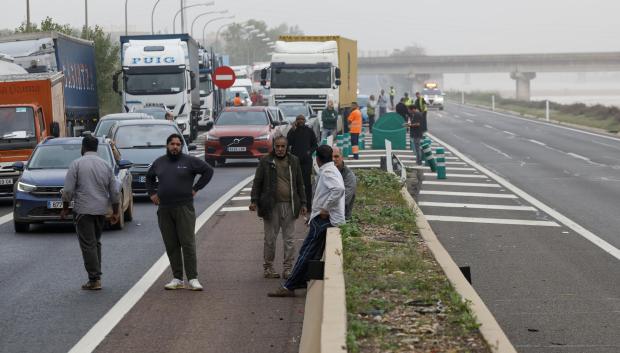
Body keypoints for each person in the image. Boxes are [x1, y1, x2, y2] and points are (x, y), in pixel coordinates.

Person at [267, 145, 345, 297]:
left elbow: (339, 189)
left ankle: (289, 286)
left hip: (324, 220)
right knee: (313, 253)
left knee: (306, 252)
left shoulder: (328, 171)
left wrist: (325, 209)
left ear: (317, 159)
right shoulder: (330, 170)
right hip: (325, 219)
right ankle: (302, 281)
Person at [146, 133, 214, 291]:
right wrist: (152, 194)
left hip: (184, 207)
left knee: (188, 243)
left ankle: (192, 278)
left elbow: (208, 171)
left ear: (181, 146)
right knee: (171, 244)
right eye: (172, 144)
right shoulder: (159, 162)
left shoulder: (189, 161)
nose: (175, 147)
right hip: (164, 209)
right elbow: (149, 177)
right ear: (167, 146)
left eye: (178, 144)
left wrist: (196, 188)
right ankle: (177, 278)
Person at [61, 135, 120, 290]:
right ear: (96, 148)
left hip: (83, 211)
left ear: (83, 147)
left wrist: (65, 208)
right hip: (101, 211)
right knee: (96, 242)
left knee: (88, 245)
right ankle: (96, 275)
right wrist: (115, 212)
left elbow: (67, 190)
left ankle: (94, 279)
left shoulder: (77, 164)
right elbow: (114, 192)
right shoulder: (106, 165)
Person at [250, 136, 307, 279]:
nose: (280, 149)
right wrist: (254, 201)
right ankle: (268, 268)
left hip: (290, 205)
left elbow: (300, 183)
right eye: (277, 146)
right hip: (271, 206)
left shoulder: (293, 160)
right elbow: (257, 182)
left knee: (289, 239)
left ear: (287, 147)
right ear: (273, 146)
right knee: (270, 239)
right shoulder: (265, 161)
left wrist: (304, 203)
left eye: (283, 146)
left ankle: (288, 269)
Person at [287, 114, 318, 211]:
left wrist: (309, 152)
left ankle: (308, 205)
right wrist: (292, 129)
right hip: (295, 161)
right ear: (296, 121)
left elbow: (315, 144)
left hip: (307, 162)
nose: (300, 121)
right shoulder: (293, 131)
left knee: (307, 184)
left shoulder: (309, 131)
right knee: (295, 183)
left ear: (305, 121)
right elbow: (288, 142)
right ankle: (297, 205)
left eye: (302, 119)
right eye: (298, 119)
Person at [332, 147, 356, 220]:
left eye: (336, 156)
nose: (333, 159)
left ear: (342, 158)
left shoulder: (349, 175)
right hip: (326, 214)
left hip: (342, 217)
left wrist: (325, 209)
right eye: (331, 157)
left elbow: (344, 200)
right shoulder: (327, 172)